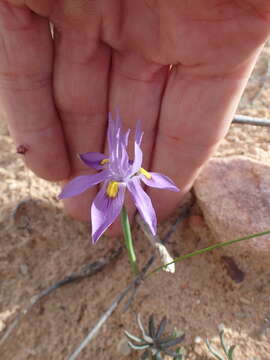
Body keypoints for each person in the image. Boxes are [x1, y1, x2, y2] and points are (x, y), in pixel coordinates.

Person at [0, 0, 269, 236]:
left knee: (141, 196)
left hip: (130, 174)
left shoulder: (134, 173)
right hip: (118, 176)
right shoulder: (110, 171)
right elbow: (92, 162)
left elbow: (147, 177)